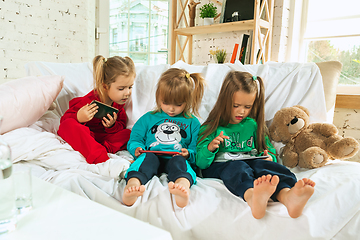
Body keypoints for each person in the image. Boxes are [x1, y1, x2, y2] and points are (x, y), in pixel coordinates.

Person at [196, 71, 315, 219]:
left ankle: (287, 197)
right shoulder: (211, 127)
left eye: (247, 106)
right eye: (236, 105)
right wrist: (210, 148)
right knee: (238, 168)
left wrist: (270, 157)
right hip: (223, 165)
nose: (242, 111)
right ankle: (252, 197)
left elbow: (268, 149)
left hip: (250, 161)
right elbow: (200, 162)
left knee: (269, 168)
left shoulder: (253, 125)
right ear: (224, 101)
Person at [123, 68, 205, 208]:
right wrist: (136, 148)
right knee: (144, 162)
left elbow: (196, 147)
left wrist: (189, 154)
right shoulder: (149, 118)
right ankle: (133, 185)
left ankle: (182, 187)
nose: (171, 109)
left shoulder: (193, 122)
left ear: (188, 100)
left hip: (176, 156)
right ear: (158, 97)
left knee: (181, 164)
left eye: (178, 104)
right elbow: (135, 138)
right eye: (165, 102)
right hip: (152, 155)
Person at [58, 55, 135, 164]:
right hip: (87, 136)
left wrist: (112, 126)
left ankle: (101, 150)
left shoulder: (119, 104)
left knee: (128, 133)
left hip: (104, 141)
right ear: (105, 86)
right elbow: (65, 119)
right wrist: (79, 117)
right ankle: (100, 157)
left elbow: (121, 126)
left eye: (130, 87)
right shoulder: (90, 100)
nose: (127, 93)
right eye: (121, 88)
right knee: (67, 125)